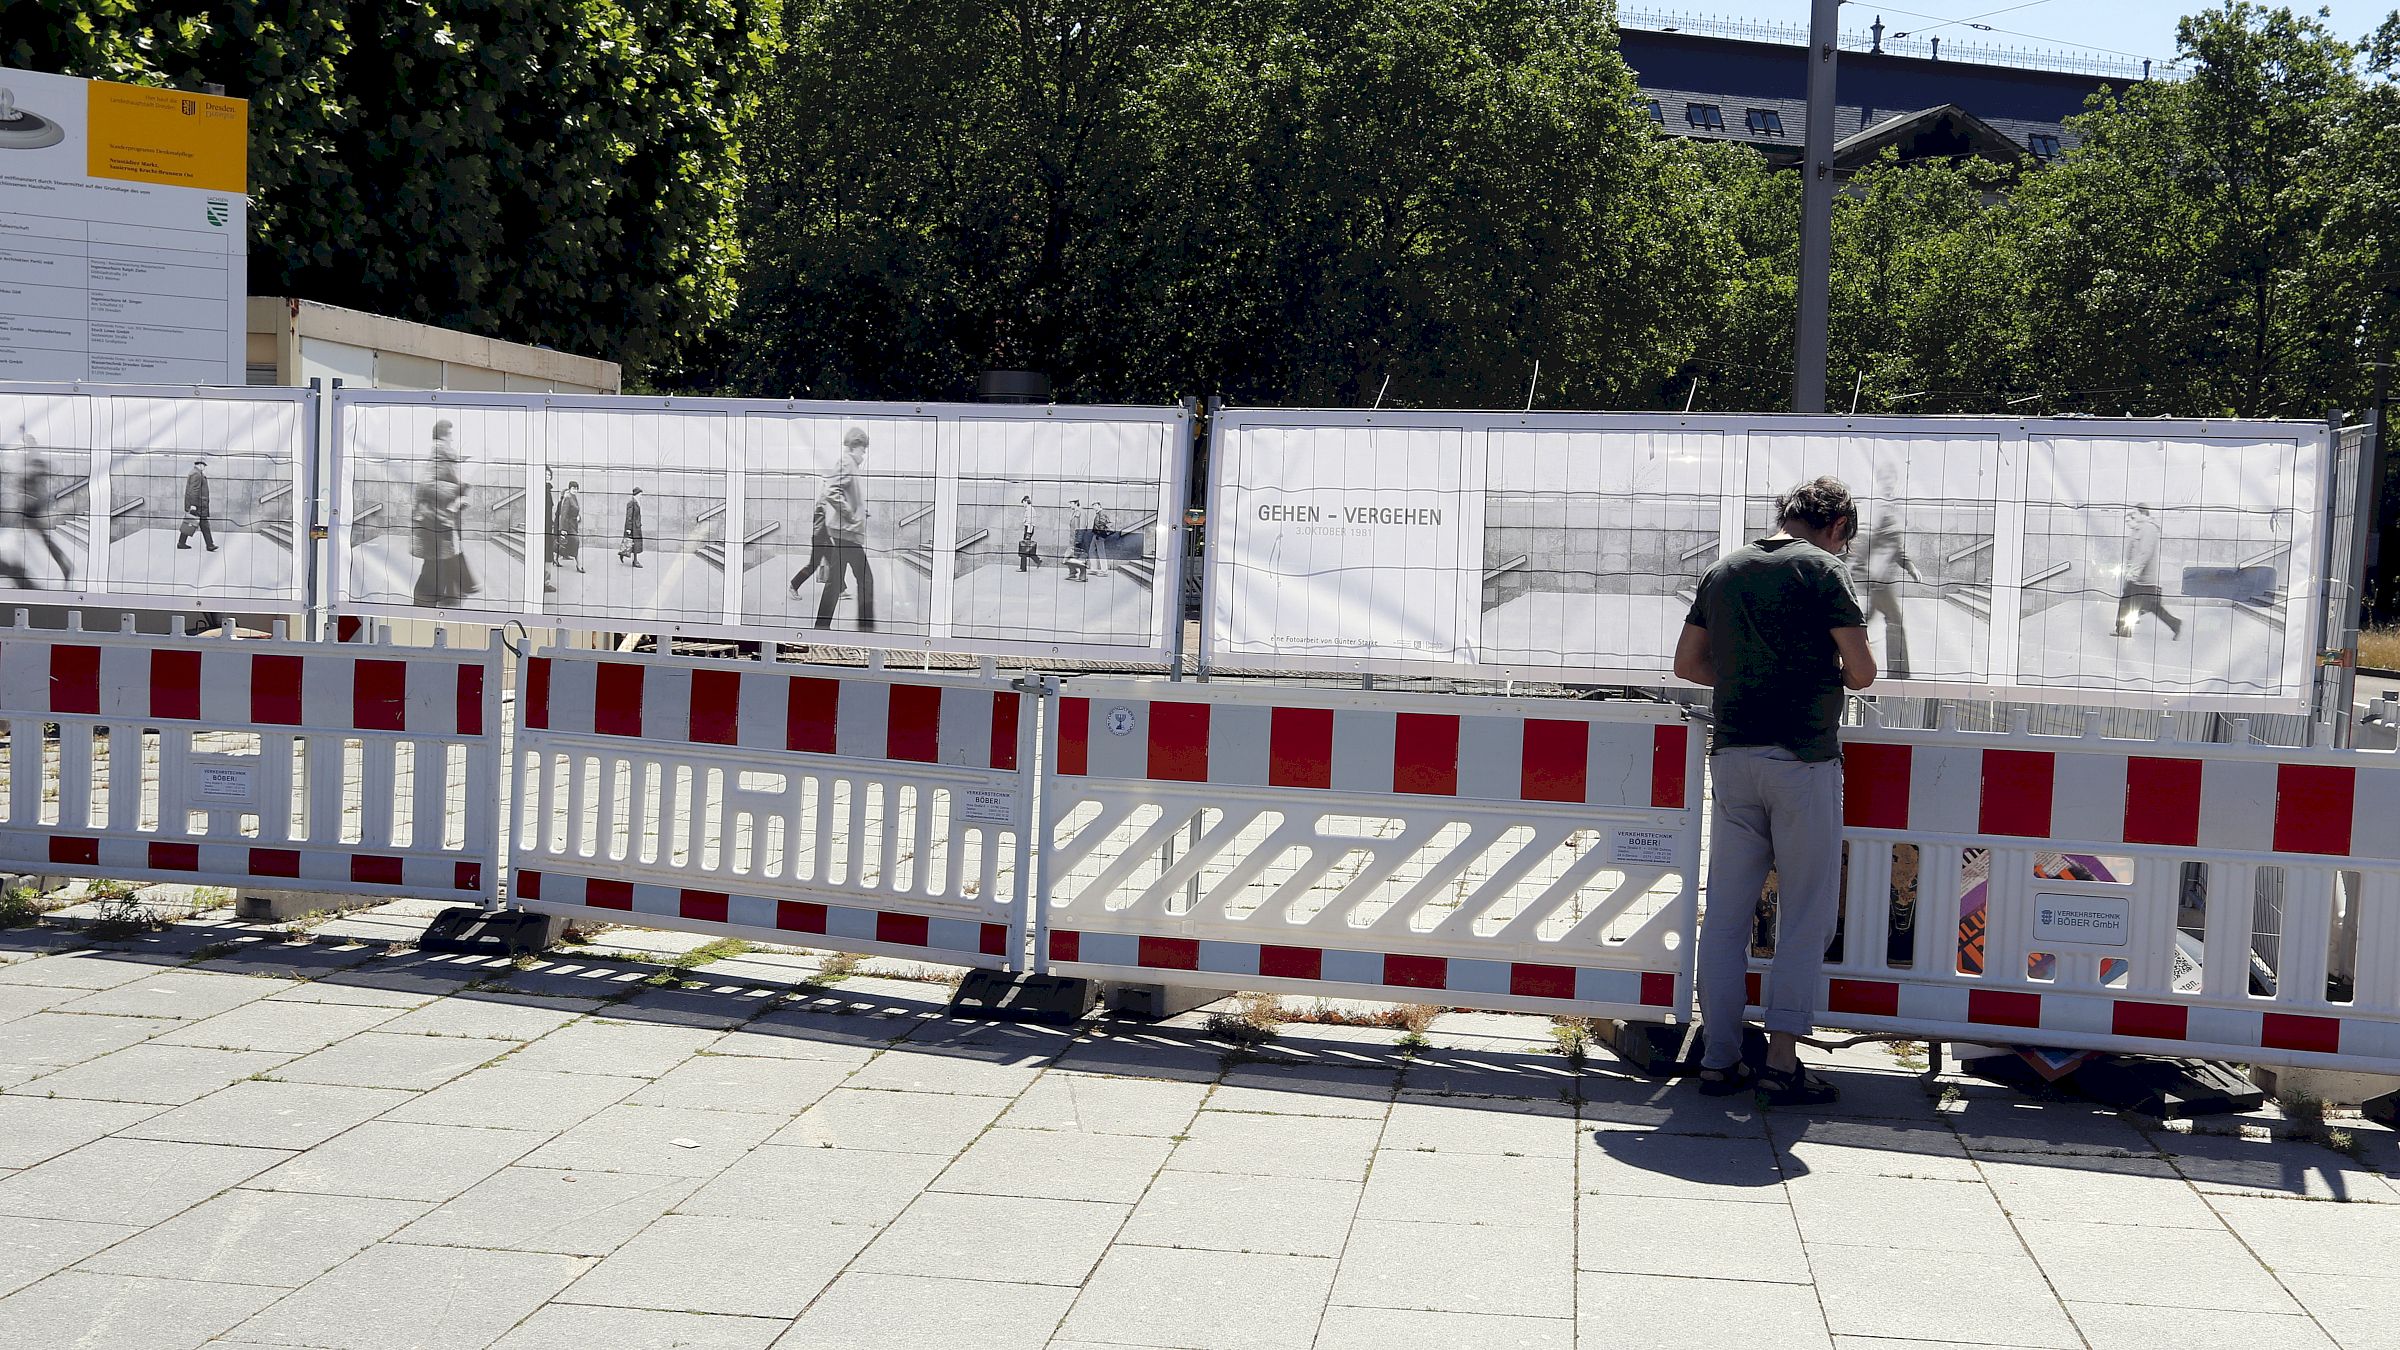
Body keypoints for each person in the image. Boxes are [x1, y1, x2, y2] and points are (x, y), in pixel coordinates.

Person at [1673, 475, 1876, 1108]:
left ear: (1782, 516)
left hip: (1733, 756)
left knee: (1727, 917)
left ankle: (1721, 1057)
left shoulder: (1725, 570)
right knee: (1805, 915)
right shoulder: (1824, 572)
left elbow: (1688, 663)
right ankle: (1782, 1063)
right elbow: (1863, 673)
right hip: (1803, 760)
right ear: (1838, 526)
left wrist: (1746, 684)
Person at [1854, 465, 1925, 680]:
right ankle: (1899, 674)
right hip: (1876, 576)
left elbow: (1894, 543)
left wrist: (1909, 566)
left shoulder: (1890, 506)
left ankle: (1844, 654)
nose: (1888, 482)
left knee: (1863, 621)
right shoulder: (1877, 506)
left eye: (1891, 478)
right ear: (1878, 480)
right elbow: (1866, 537)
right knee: (1893, 620)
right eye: (1884, 478)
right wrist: (1861, 568)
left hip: (1881, 576)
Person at [813, 428, 876, 630]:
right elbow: (832, 491)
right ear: (853, 446)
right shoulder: (847, 462)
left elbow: (843, 495)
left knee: (835, 582)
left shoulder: (851, 466)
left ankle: (822, 627)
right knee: (866, 578)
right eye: (862, 450)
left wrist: (859, 512)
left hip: (846, 532)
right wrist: (850, 514)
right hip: (847, 533)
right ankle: (865, 628)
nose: (863, 454)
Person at [409, 420, 473, 607]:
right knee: (434, 566)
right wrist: (456, 490)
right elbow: (427, 486)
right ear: (444, 435)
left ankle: (449, 596)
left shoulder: (443, 455)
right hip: (435, 523)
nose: (452, 438)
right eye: (450, 435)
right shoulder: (440, 453)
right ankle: (425, 604)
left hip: (439, 521)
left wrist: (458, 495)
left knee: (440, 563)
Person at [2115, 504, 2182, 640]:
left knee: (2146, 605)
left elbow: (2144, 553)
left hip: (2142, 578)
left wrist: (2134, 573)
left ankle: (2175, 623)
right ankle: (2123, 630)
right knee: (2131, 603)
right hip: (2139, 577)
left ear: (2143, 513)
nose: (2134, 516)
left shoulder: (2149, 529)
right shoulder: (2141, 529)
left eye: (2135, 513)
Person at [789, 479, 837, 593]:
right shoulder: (823, 504)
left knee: (834, 563)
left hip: (822, 538)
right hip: (821, 539)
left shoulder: (822, 503)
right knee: (814, 565)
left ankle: (840, 589)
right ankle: (794, 585)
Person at [176, 458, 216, 551]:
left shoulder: (196, 473)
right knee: (201, 524)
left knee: (191, 522)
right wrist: (193, 505)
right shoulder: (197, 474)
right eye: (204, 465)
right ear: (200, 464)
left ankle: (181, 543)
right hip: (198, 505)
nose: (204, 467)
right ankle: (209, 545)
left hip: (198, 504)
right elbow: (194, 490)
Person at [556, 480, 583, 574]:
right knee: (576, 542)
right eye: (573, 488)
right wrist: (563, 529)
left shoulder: (574, 497)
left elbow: (575, 511)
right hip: (568, 525)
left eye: (576, 488)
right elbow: (563, 514)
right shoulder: (568, 498)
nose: (575, 490)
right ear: (570, 489)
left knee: (567, 544)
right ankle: (578, 565)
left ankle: (557, 558)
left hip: (574, 524)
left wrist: (578, 517)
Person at [1064, 498, 1089, 581]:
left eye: (1071, 503)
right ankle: (1073, 572)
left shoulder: (1082, 512)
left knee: (1080, 558)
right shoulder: (1073, 512)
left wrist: (1079, 540)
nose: (1070, 505)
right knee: (1067, 557)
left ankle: (1083, 576)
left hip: (1078, 539)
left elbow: (1082, 527)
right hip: (1072, 540)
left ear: (1076, 503)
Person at [620, 487, 645, 568]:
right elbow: (629, 517)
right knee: (632, 543)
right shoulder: (631, 503)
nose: (641, 496)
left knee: (635, 544)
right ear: (637, 494)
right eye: (640, 494)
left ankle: (632, 559)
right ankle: (635, 561)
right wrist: (628, 528)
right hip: (633, 527)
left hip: (636, 527)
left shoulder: (636, 502)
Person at [1017, 494, 1041, 572]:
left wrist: (1028, 533)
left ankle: (1023, 568)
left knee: (1024, 548)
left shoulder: (1030, 510)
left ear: (1026, 501)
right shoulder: (1029, 509)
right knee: (1026, 548)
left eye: (1023, 503)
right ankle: (1037, 560)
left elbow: (1030, 522)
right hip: (1028, 529)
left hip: (1028, 529)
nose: (1023, 505)